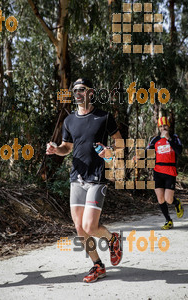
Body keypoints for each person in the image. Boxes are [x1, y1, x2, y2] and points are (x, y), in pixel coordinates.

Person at [46, 78, 123, 283]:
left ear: (90, 93)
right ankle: (97, 265)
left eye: (81, 89)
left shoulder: (104, 117)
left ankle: (112, 238)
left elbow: (120, 142)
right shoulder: (69, 120)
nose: (77, 93)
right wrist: (56, 150)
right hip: (76, 178)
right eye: (75, 90)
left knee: (90, 227)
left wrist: (111, 152)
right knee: (79, 228)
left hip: (97, 177)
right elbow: (66, 148)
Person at [146, 116, 184, 229]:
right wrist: (138, 157)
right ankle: (168, 221)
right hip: (158, 172)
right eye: (161, 126)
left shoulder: (174, 137)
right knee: (160, 199)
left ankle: (176, 203)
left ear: (169, 126)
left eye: (165, 126)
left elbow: (179, 151)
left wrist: (169, 139)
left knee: (168, 199)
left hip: (170, 172)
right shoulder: (155, 139)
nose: (163, 128)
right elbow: (147, 152)